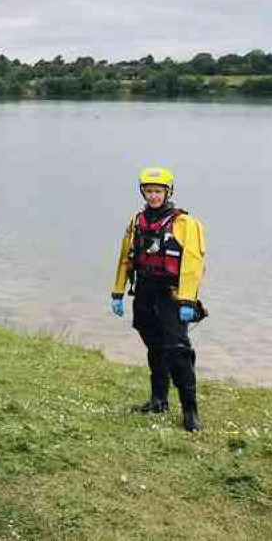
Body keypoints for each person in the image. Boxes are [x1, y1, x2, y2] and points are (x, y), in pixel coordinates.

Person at [110, 166, 206, 432]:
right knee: (154, 345)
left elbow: (192, 265)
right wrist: (118, 291)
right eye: (149, 191)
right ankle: (158, 399)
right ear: (143, 192)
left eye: (158, 191)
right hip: (144, 290)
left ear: (168, 192)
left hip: (172, 295)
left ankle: (190, 412)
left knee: (177, 350)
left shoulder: (185, 224)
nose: (153, 196)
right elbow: (125, 258)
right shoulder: (136, 221)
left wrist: (187, 301)